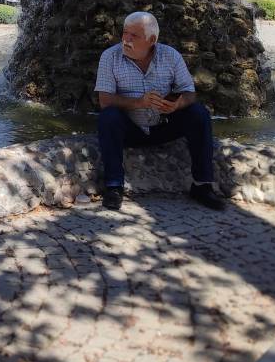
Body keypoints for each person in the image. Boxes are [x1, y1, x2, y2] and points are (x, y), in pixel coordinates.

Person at [94, 11, 225, 212]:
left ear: (151, 40)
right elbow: (105, 100)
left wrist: (176, 105)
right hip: (130, 129)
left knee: (198, 114)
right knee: (108, 117)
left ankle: (202, 185)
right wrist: (139, 103)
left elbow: (189, 93)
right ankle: (113, 186)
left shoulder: (170, 56)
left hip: (163, 125)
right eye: (125, 33)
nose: (126, 39)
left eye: (134, 36)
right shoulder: (110, 57)